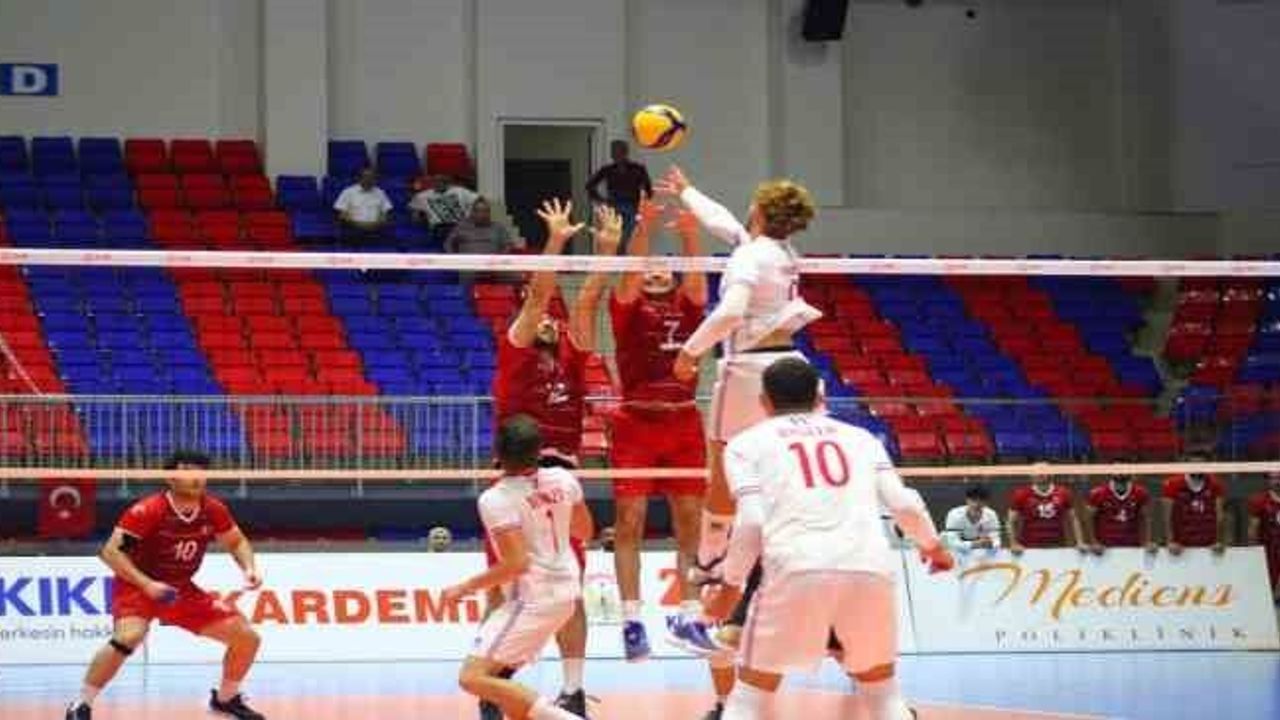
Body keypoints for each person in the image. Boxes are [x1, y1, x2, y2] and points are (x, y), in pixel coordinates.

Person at [701, 358, 954, 720]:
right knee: (884, 697)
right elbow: (904, 503)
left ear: (764, 401)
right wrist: (934, 547)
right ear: (819, 397)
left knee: (749, 700)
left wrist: (730, 587)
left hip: (794, 569)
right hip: (868, 569)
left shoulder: (745, 444)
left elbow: (752, 522)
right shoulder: (861, 438)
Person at [487, 198, 621, 718]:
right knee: (507, 585)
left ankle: (573, 688)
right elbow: (541, 293)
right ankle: (495, 682)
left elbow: (587, 300)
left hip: (562, 482)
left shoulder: (573, 355)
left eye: (550, 319)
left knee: (570, 592)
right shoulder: (515, 351)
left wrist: (606, 253)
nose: (545, 318)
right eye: (536, 314)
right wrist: (557, 241)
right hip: (516, 484)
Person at [65, 451, 265, 720]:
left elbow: (236, 541)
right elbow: (111, 553)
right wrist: (147, 585)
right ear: (170, 478)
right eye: (188, 471)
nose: (196, 478)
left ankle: (225, 699)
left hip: (180, 589)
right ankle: (82, 704)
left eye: (201, 472)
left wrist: (249, 568)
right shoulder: (148, 510)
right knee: (129, 637)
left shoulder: (213, 509)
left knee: (247, 638)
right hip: (137, 584)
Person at [608, 197, 708, 661]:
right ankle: (631, 621)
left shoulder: (689, 306)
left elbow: (697, 279)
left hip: (684, 421)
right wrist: (644, 227)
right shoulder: (627, 309)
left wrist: (689, 233)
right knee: (630, 521)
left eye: (662, 267)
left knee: (690, 521)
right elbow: (630, 273)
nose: (654, 272)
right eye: (649, 268)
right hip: (636, 423)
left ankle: (690, 615)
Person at [443, 415, 595, 720]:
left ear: (497, 454)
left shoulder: (495, 498)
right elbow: (585, 531)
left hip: (531, 600)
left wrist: (464, 587)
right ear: (538, 452)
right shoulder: (564, 479)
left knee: (472, 678)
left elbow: (517, 563)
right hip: (566, 594)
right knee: (501, 685)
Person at [1007, 466, 1086, 554]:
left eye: (1043, 471)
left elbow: (1074, 519)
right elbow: (1011, 521)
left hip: (1057, 545)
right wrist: (1013, 543)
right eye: (1036, 472)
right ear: (1030, 475)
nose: (1040, 474)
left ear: (1051, 474)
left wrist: (1080, 542)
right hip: (1029, 547)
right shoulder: (1021, 494)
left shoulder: (1063, 493)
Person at [586, 140, 652, 242]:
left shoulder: (638, 169)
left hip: (632, 207)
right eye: (613, 151)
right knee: (615, 238)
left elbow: (648, 191)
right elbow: (589, 186)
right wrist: (602, 200)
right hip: (614, 207)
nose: (614, 154)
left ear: (625, 152)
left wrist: (642, 206)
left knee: (631, 238)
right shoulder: (607, 169)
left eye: (617, 151)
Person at [1161, 463, 1228, 554]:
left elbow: (1220, 516)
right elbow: (1167, 517)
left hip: (1209, 546)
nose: (1197, 467)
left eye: (1201, 463)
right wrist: (1170, 542)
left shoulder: (1215, 484)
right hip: (1180, 548)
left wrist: (1219, 541)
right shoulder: (1172, 484)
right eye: (1193, 463)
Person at [1084, 474, 1156, 554]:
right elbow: (1088, 519)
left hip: (1132, 547)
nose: (1120, 472)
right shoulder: (1097, 493)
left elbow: (1146, 518)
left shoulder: (1141, 493)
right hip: (1104, 549)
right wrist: (1094, 542)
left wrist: (1147, 541)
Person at [410, 174, 478, 247]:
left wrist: (470, 215)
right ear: (432, 183)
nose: (439, 183)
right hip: (440, 228)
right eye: (436, 181)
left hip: (460, 225)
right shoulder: (423, 196)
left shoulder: (460, 191)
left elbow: (479, 201)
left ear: (448, 182)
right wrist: (421, 217)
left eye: (442, 181)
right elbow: (414, 212)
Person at [333, 167, 392, 248]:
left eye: (372, 177)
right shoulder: (348, 192)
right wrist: (359, 224)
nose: (369, 179)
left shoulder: (380, 193)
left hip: (376, 229)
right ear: (359, 178)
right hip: (353, 229)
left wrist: (377, 223)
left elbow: (385, 214)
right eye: (366, 177)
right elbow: (342, 215)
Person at [1246, 471, 1280, 603]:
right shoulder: (1259, 500)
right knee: (1266, 594)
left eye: (1279, 477)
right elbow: (1252, 530)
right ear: (1267, 480)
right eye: (1273, 478)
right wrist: (1253, 555)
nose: (1277, 481)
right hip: (1268, 552)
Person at [943, 485, 1002, 552]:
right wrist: (974, 544)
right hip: (955, 551)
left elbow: (996, 540)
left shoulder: (991, 514)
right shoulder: (954, 515)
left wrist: (991, 544)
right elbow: (952, 543)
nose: (976, 504)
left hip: (981, 551)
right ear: (967, 500)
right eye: (973, 500)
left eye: (981, 500)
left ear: (986, 502)